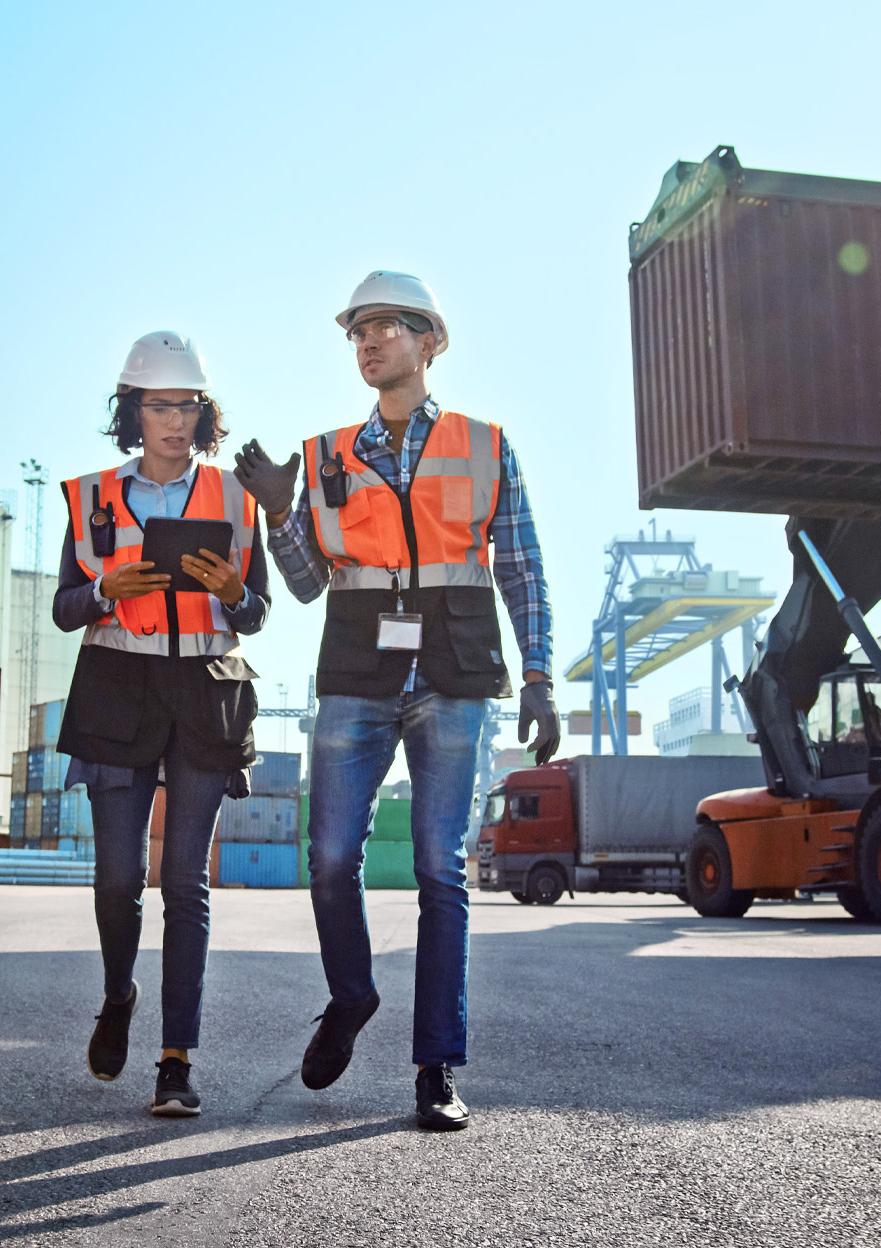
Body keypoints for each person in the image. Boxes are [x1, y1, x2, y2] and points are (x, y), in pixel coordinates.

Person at [233, 271, 558, 1132]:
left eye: (385, 327)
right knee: (331, 857)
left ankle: (437, 1069)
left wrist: (540, 676)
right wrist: (279, 514)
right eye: (358, 332)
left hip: (454, 672)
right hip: (356, 671)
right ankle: (351, 997)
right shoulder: (325, 453)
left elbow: (521, 569)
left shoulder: (486, 445)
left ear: (429, 342)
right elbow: (304, 584)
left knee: (438, 870)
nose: (368, 342)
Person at [52, 330, 270, 1119]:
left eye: (187, 404)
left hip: (206, 690)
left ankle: (176, 1060)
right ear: (132, 411)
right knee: (119, 879)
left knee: (186, 883)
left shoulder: (237, 499)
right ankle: (119, 995)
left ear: (203, 412)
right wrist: (106, 588)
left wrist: (233, 590)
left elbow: (259, 610)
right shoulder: (90, 496)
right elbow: (63, 608)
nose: (175, 420)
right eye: (158, 404)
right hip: (116, 691)